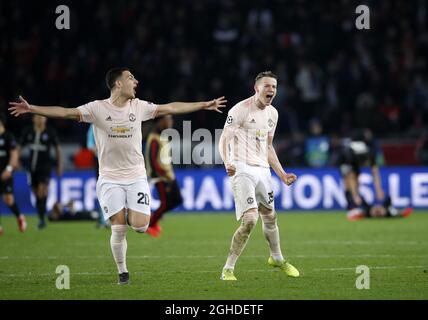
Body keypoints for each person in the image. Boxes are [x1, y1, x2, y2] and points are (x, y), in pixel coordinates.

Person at [9, 67, 226, 285]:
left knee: (140, 226)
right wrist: (32, 109)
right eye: (131, 78)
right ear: (118, 83)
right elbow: (65, 112)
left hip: (137, 177)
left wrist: (204, 105)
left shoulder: (139, 107)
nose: (136, 81)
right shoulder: (96, 109)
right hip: (109, 178)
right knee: (119, 227)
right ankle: (123, 272)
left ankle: (128, 212)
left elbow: (171, 107)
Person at [218, 71, 299, 281]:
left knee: (270, 216)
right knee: (250, 220)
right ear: (256, 88)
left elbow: (268, 147)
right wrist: (227, 161)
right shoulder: (240, 110)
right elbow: (224, 138)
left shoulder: (273, 114)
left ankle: (277, 258)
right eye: (266, 86)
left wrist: (281, 174)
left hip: (263, 170)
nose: (271, 90)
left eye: (274, 86)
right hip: (242, 169)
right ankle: (228, 268)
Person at [337, 128, 412, 220]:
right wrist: (355, 194)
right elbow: (351, 176)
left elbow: (375, 172)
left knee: (357, 186)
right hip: (344, 161)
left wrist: (379, 190)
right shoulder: (349, 155)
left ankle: (372, 209)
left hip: (353, 162)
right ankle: (352, 209)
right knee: (350, 185)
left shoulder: (370, 153)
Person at [18, 115, 62, 230]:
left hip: (45, 167)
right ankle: (41, 216)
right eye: (38, 117)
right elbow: (19, 146)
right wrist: (16, 160)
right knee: (36, 192)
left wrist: (59, 165)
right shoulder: (28, 131)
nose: (40, 119)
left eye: (42, 117)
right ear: (33, 119)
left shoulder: (50, 132)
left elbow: (57, 148)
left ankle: (42, 219)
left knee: (42, 190)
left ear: (45, 119)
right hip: (31, 168)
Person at [145, 115, 183, 237]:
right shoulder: (154, 138)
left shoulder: (162, 137)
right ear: (161, 121)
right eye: (168, 119)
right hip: (161, 177)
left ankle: (153, 219)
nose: (171, 121)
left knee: (177, 200)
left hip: (168, 176)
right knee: (166, 203)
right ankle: (151, 224)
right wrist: (163, 176)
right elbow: (153, 161)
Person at [0, 113, 27, 235]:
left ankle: (19, 217)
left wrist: (9, 169)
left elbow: (14, 154)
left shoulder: (8, 136)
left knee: (8, 199)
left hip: (5, 173)